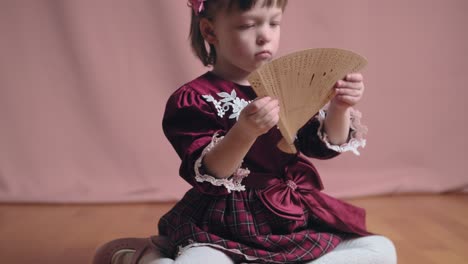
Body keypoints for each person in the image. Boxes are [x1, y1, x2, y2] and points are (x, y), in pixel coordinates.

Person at [93, 0, 397, 263]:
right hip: (225, 222)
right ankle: (148, 257)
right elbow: (210, 171)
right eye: (248, 25)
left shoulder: (288, 87)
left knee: (381, 250)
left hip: (288, 218)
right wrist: (245, 130)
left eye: (274, 23)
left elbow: (322, 146)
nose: (265, 36)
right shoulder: (195, 98)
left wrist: (339, 107)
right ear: (211, 32)